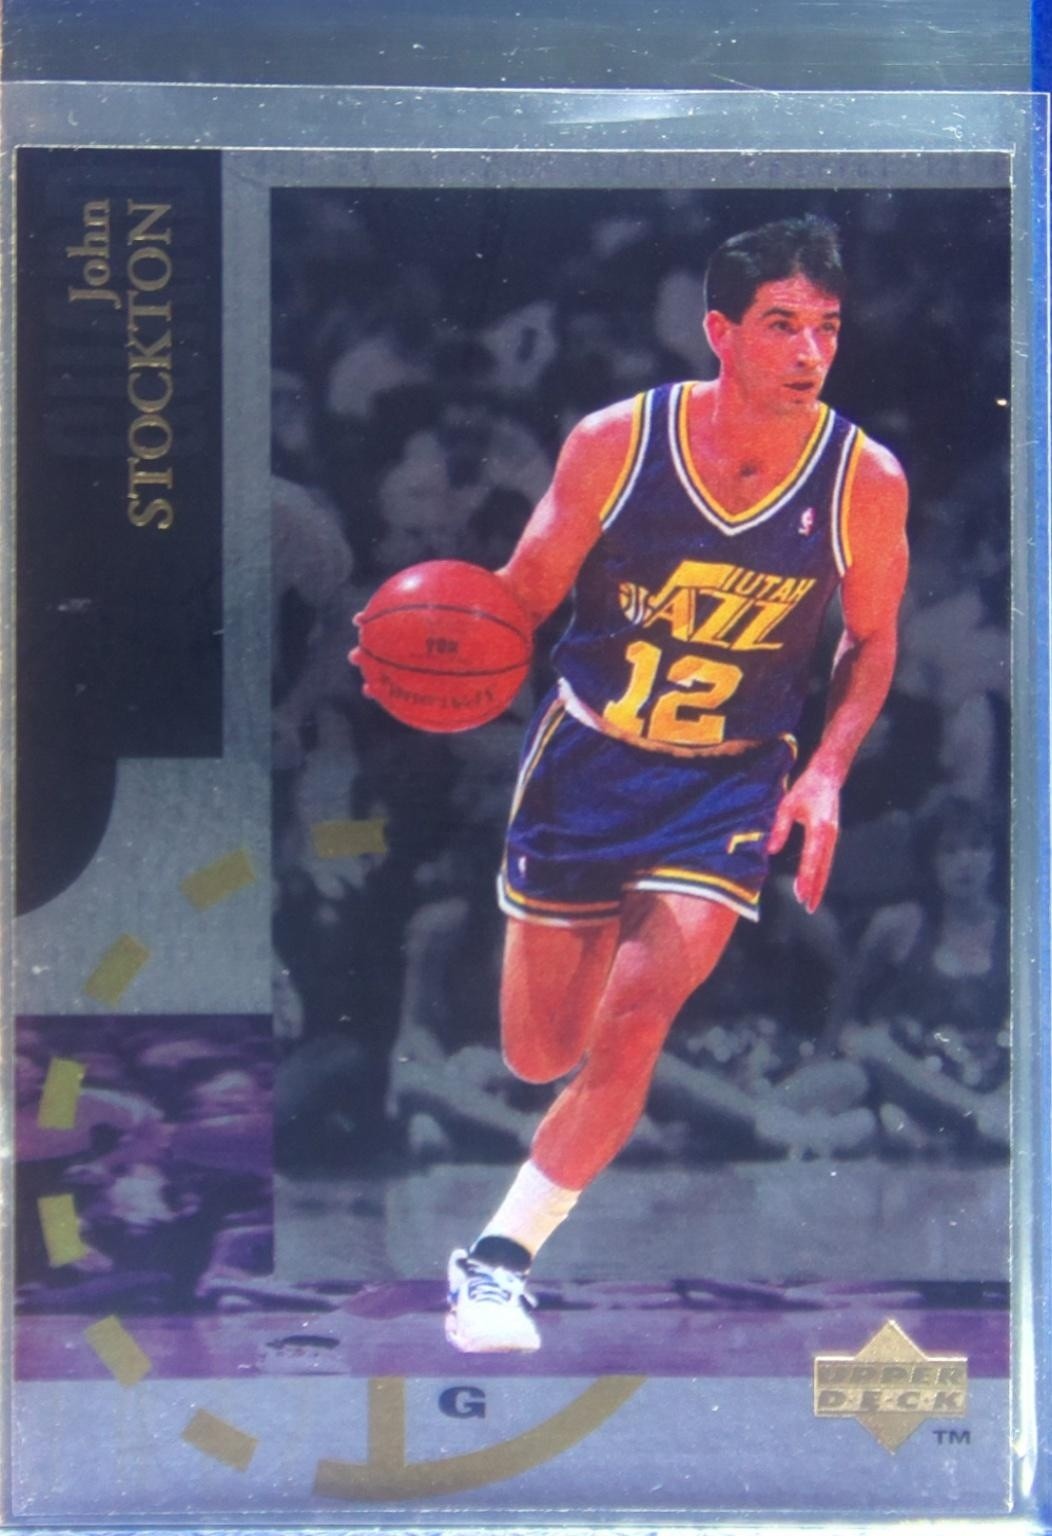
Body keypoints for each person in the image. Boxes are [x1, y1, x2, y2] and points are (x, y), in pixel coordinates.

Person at [406, 216, 909, 1352]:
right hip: (588, 761)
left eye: (827, 328)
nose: (809, 352)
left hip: (727, 783)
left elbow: (872, 638)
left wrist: (825, 771)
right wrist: (430, 650)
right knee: (542, 1053)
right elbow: (520, 597)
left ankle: (496, 1262)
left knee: (635, 1025)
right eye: (781, 325)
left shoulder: (861, 479)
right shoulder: (615, 444)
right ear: (719, 331)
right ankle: (539, 1137)